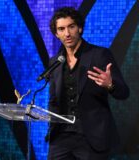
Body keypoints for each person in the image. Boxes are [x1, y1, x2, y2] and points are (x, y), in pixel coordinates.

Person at [47, 6, 129, 160]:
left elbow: (124, 92)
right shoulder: (55, 62)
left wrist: (110, 85)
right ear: (56, 34)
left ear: (80, 28)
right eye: (61, 29)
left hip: (92, 138)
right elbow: (53, 100)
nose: (67, 33)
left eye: (71, 27)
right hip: (60, 138)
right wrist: (51, 129)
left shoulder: (100, 55)